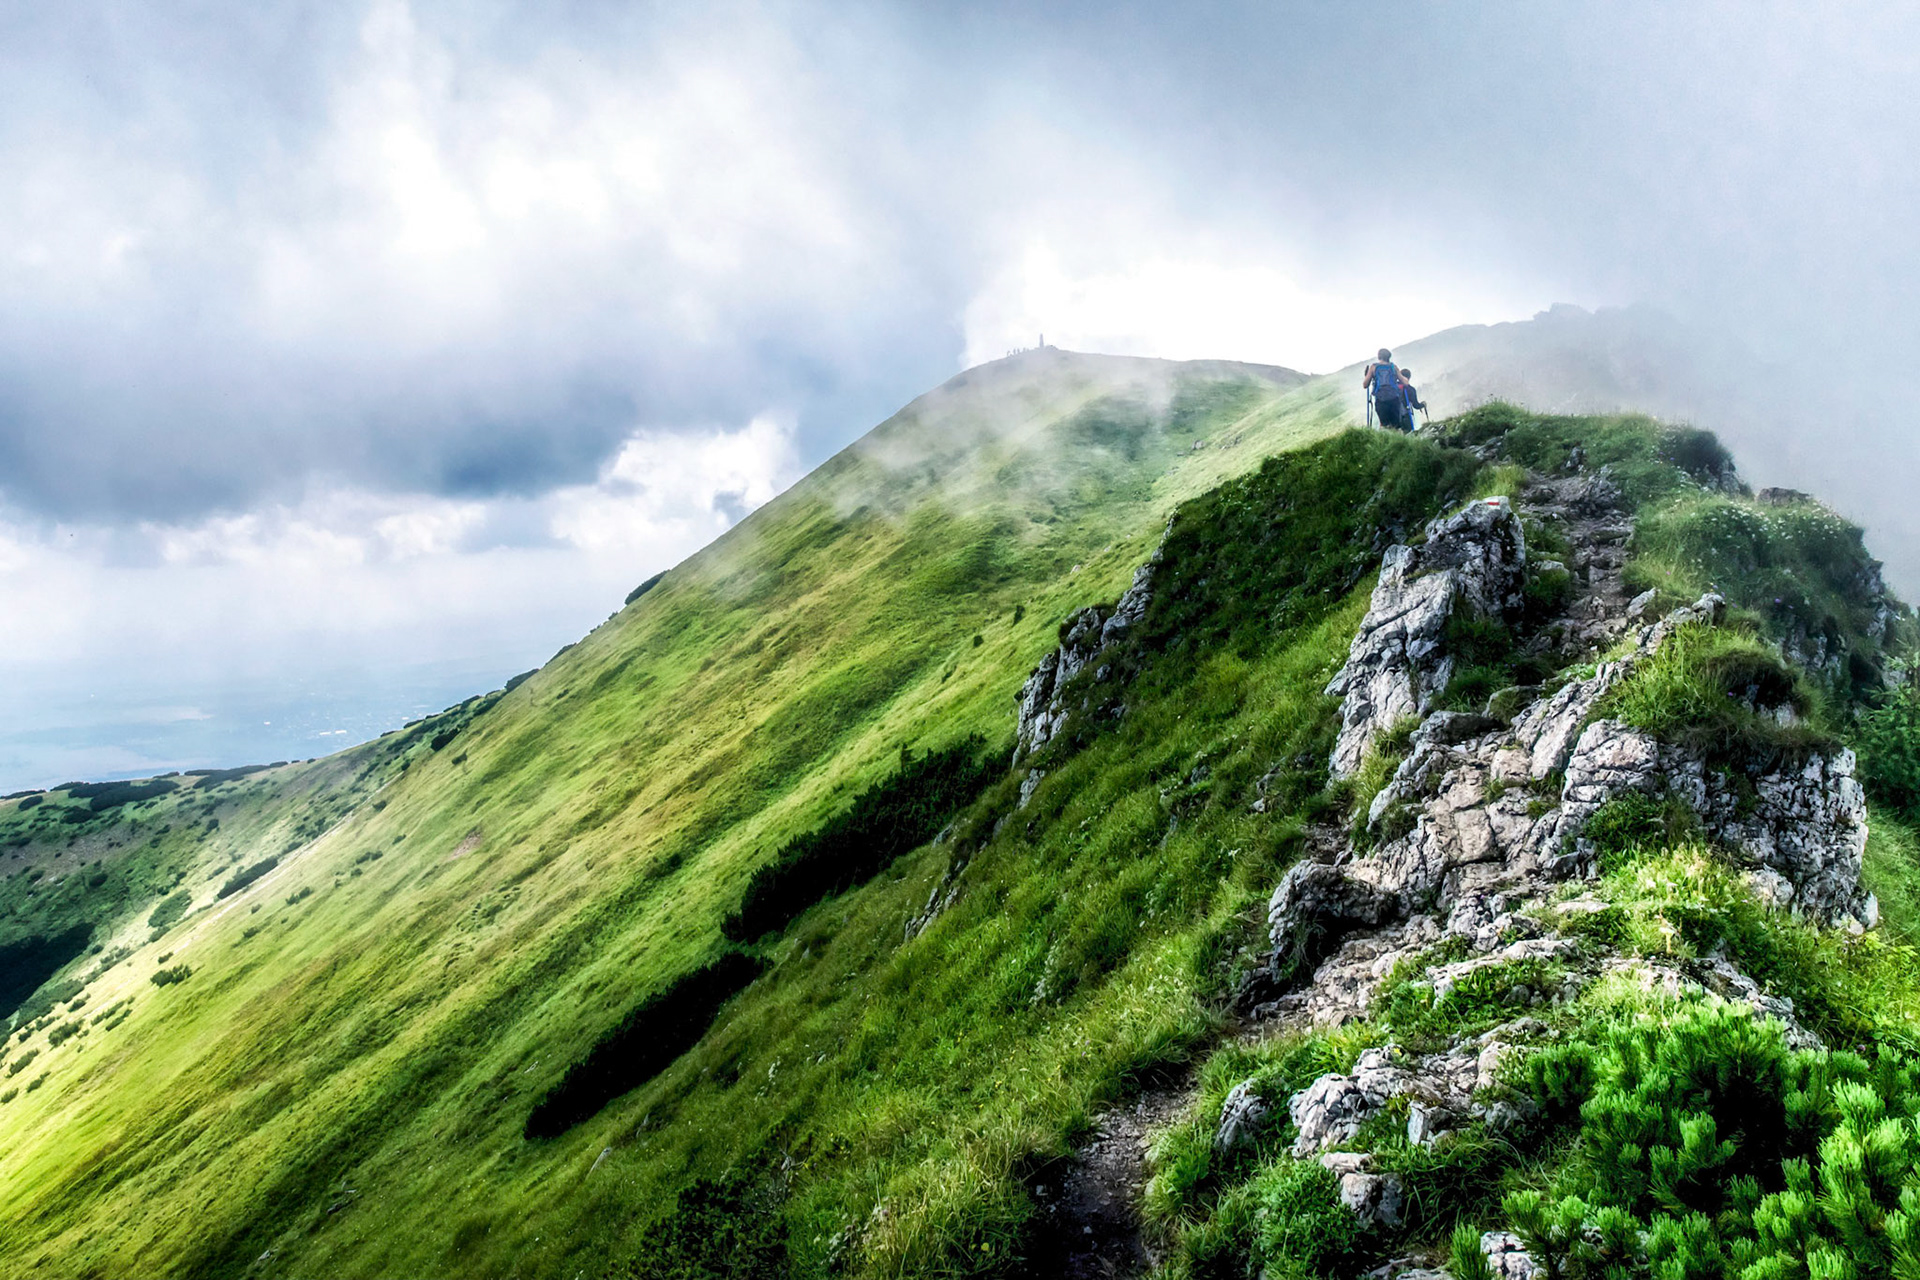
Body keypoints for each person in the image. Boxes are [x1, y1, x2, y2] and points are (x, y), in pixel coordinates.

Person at [1362, 348, 1406, 431]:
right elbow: (1405, 382)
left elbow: (1365, 385)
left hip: (1380, 399)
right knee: (1396, 425)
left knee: (1385, 425)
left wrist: (1367, 375)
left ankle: (1386, 438)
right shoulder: (1393, 367)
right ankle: (1398, 438)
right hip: (1394, 398)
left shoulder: (1374, 367)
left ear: (1379, 356)